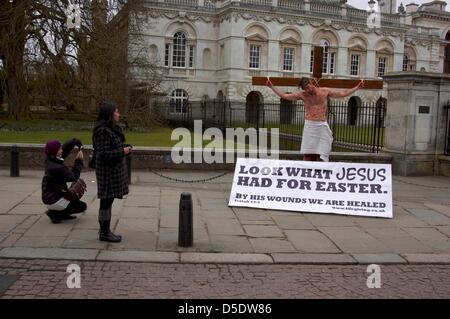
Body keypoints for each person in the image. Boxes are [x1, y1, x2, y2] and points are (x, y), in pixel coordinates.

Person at [266, 77, 365, 162]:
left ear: (311, 83)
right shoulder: (303, 95)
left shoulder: (324, 91)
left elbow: (342, 93)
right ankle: (306, 171)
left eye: (308, 87)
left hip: (322, 124)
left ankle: (319, 171)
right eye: (305, 89)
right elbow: (285, 96)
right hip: (310, 125)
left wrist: (357, 87)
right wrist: (271, 87)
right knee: (307, 153)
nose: (308, 90)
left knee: (321, 152)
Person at [92, 102, 132, 243]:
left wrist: (123, 148)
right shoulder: (102, 131)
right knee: (106, 201)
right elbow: (102, 154)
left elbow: (111, 147)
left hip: (113, 170)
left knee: (108, 200)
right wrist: (122, 151)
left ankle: (105, 230)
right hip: (107, 172)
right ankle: (104, 232)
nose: (118, 114)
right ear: (110, 114)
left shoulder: (112, 129)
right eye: (116, 111)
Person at [42, 138, 87, 224]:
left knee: (71, 193)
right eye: (59, 149)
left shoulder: (49, 160)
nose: (61, 150)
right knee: (82, 206)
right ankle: (55, 213)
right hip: (55, 200)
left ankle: (59, 212)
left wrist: (74, 142)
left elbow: (64, 150)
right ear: (55, 152)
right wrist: (79, 161)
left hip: (48, 198)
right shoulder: (57, 168)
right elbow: (73, 177)